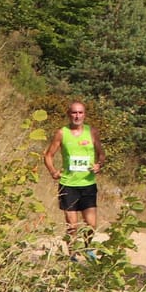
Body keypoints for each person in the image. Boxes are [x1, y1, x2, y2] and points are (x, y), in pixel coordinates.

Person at [42, 100, 99, 233]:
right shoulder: (62, 133)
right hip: (68, 184)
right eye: (74, 112)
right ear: (69, 114)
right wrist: (53, 172)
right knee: (72, 226)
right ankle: (72, 253)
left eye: (80, 113)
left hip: (88, 183)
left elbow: (101, 154)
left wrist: (99, 165)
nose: (77, 116)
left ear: (84, 115)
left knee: (91, 224)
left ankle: (87, 250)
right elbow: (48, 155)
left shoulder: (92, 132)